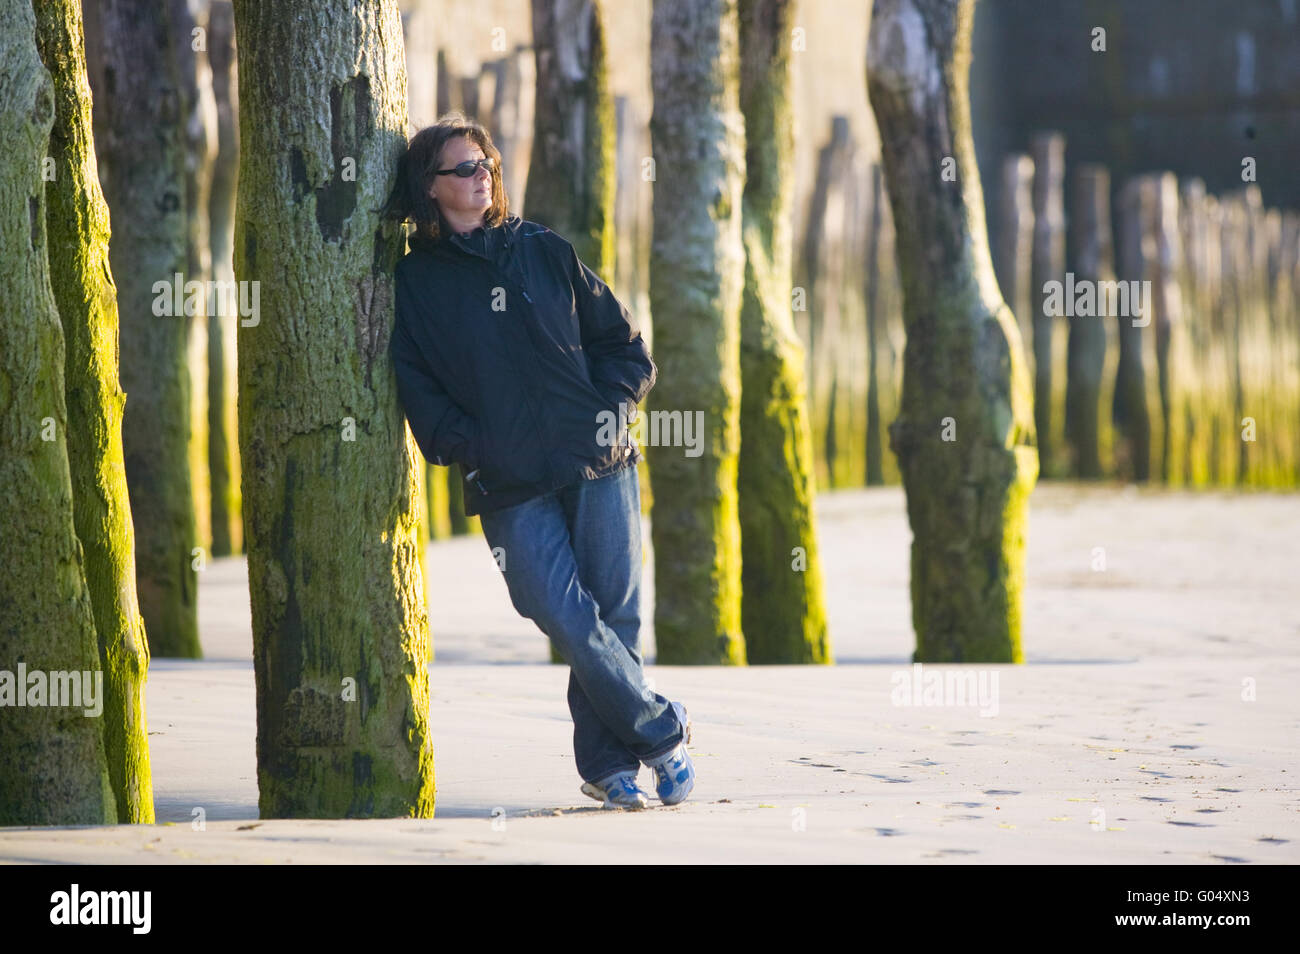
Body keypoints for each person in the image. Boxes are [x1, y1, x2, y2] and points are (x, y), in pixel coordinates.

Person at [382, 112, 694, 809]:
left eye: (485, 162)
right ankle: (662, 729)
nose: (481, 175)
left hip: (601, 461)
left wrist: (608, 416)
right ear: (429, 188)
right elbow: (420, 391)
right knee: (559, 610)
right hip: (509, 482)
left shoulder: (545, 251)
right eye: (463, 168)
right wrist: (475, 445)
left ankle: (608, 767)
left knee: (613, 617)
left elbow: (624, 347)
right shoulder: (415, 284)